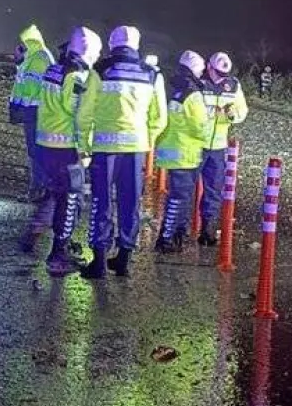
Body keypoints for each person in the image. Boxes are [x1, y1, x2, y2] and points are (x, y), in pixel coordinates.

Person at [75, 24, 166, 279]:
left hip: (105, 149)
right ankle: (124, 260)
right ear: (136, 45)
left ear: (112, 44)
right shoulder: (152, 74)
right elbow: (160, 117)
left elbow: (84, 114)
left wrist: (83, 144)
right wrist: (147, 139)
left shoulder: (100, 71)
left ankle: (99, 262)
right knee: (131, 202)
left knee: (101, 202)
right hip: (136, 149)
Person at [21, 25, 102, 274]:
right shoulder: (77, 75)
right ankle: (58, 254)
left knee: (56, 194)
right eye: (97, 51)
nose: (98, 56)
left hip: (45, 144)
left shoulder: (54, 69)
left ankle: (35, 231)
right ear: (89, 50)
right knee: (70, 198)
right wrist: (85, 149)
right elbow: (78, 114)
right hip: (66, 148)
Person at [153, 51, 211, 252]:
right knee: (179, 198)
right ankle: (165, 239)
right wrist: (209, 135)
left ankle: (175, 234)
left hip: (170, 149)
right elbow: (200, 126)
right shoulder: (193, 94)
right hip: (185, 152)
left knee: (176, 196)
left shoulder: (173, 88)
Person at [199, 51, 249, 245]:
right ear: (209, 67)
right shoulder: (198, 83)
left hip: (218, 146)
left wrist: (229, 114)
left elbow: (241, 112)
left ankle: (207, 231)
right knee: (185, 192)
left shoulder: (233, 85)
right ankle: (176, 233)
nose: (220, 78)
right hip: (197, 143)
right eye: (217, 73)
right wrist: (213, 113)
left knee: (213, 190)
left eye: (223, 75)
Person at [8, 24, 52, 199]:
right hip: (32, 111)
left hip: (35, 111)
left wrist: (20, 107)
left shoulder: (38, 59)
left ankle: (38, 188)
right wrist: (19, 62)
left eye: (23, 43)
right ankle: (38, 187)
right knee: (35, 150)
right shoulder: (33, 58)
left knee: (36, 151)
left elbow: (30, 87)